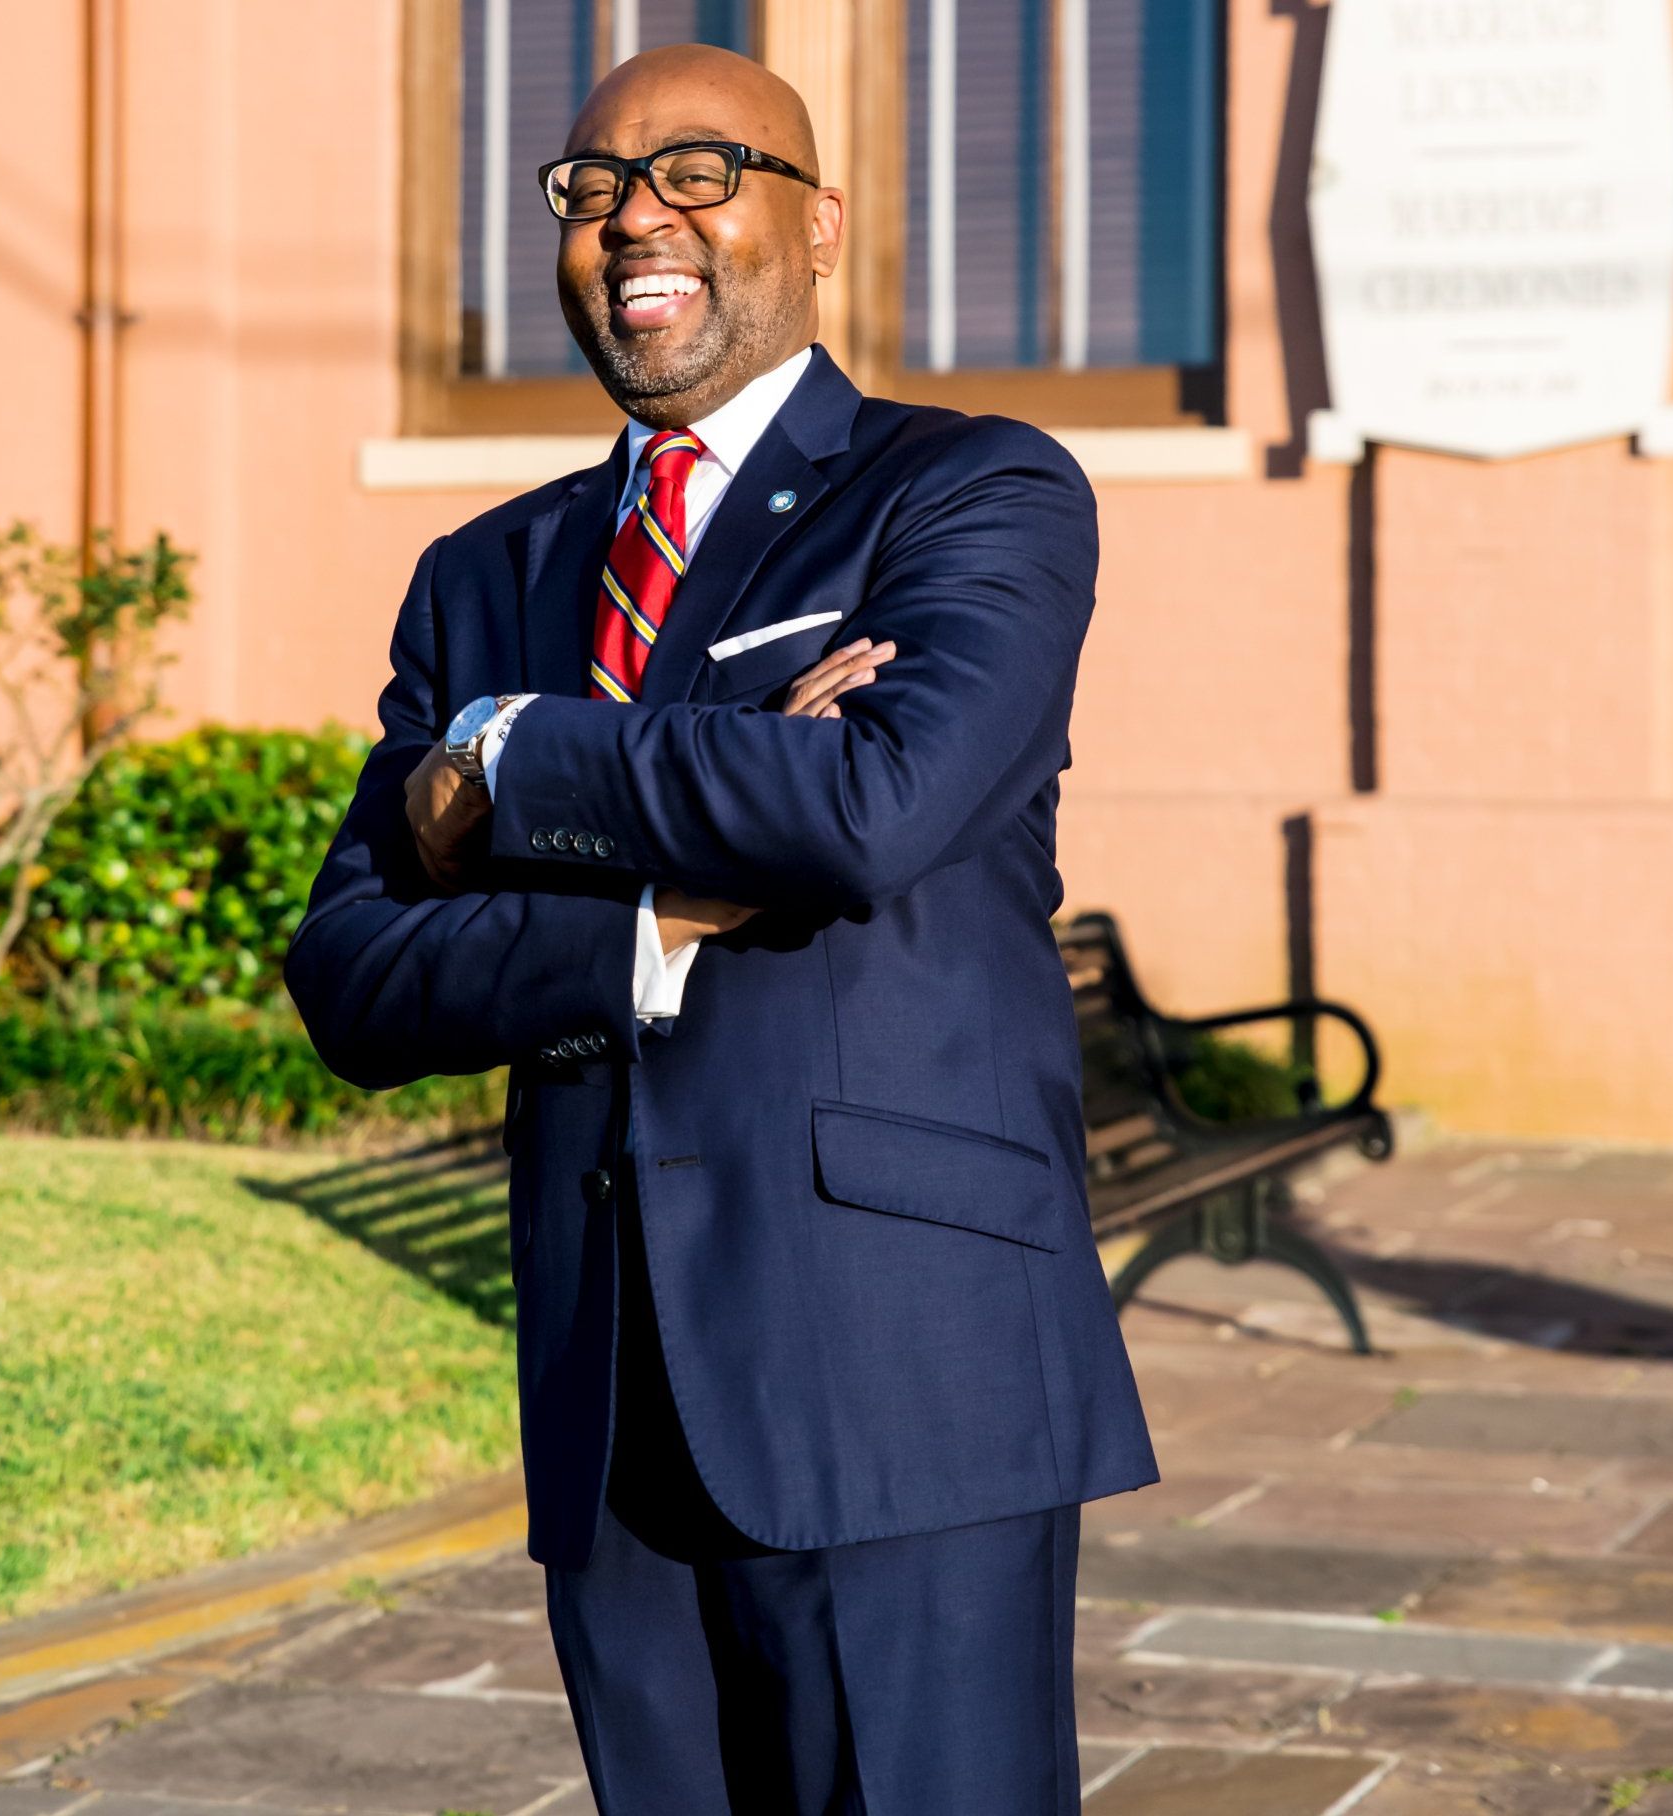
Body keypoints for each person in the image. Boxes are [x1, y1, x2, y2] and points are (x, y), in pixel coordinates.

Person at [286, 42, 1155, 1814]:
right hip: (612, 1390)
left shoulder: (972, 489)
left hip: (901, 1364)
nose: (633, 222)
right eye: (592, 188)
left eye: (699, 173)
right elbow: (358, 972)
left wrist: (511, 755)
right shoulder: (487, 576)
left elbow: (874, 809)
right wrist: (660, 907)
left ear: (816, 222)